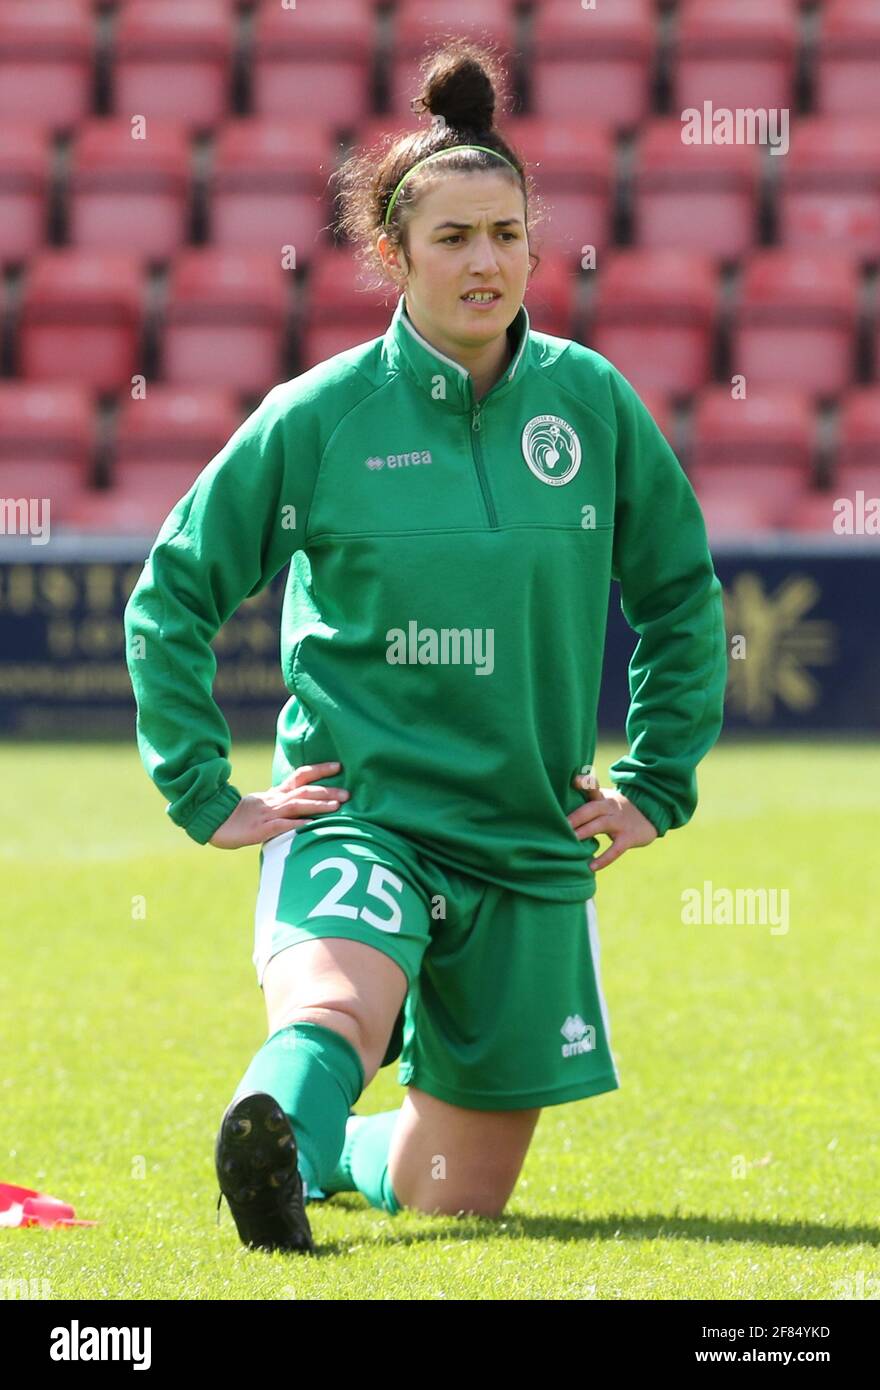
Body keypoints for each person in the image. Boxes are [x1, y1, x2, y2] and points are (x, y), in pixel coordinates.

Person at [123, 39, 727, 1256]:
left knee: (454, 1191)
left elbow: (679, 597)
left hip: (527, 833)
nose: (486, 261)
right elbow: (173, 590)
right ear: (392, 257)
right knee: (335, 999)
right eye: (452, 238)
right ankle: (273, 1120)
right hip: (366, 809)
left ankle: (312, 1151)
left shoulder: (592, 406)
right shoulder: (319, 416)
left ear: (532, 244)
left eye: (505, 233)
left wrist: (657, 784)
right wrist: (203, 792)